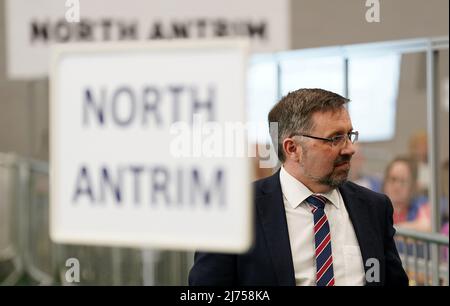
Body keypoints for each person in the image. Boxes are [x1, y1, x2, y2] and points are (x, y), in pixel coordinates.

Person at [189, 88, 408, 286]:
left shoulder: (373, 207)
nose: (350, 148)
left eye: (349, 135)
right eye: (335, 139)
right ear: (293, 148)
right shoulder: (234, 210)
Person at [382, 156, 431, 232]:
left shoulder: (421, 204)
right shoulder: (376, 206)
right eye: (393, 179)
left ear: (413, 185)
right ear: (385, 182)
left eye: (403, 181)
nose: (397, 186)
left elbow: (427, 227)